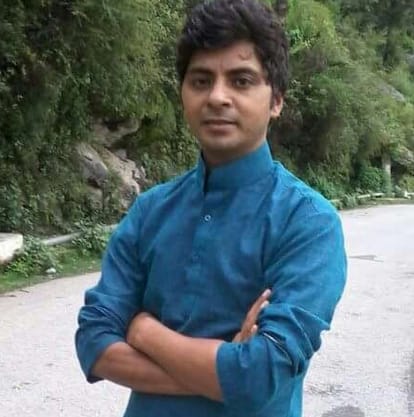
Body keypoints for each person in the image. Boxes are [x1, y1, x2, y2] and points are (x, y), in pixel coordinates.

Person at [75, 0, 347, 416]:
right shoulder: (150, 212)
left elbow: (262, 374)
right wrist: (222, 372)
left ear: (276, 100)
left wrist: (144, 331)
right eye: (201, 81)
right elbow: (94, 342)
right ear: (183, 93)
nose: (218, 97)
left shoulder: (307, 221)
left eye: (241, 81)